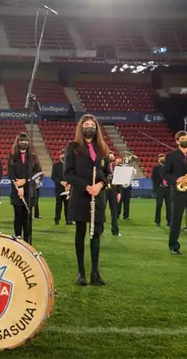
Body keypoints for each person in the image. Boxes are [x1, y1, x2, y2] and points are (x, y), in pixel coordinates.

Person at [64, 114, 111, 286]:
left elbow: (108, 173)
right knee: (81, 233)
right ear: (81, 127)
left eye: (92, 124)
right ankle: (81, 272)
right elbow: (68, 173)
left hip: (98, 197)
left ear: (97, 128)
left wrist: (100, 184)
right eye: (86, 124)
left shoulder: (103, 148)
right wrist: (86, 187)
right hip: (81, 197)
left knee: (96, 235)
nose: (89, 127)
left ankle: (95, 273)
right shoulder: (73, 146)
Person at [8, 132, 41, 244]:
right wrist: (19, 186)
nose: (24, 143)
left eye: (26, 140)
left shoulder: (33, 157)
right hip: (17, 192)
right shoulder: (12, 157)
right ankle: (17, 239)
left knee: (27, 218)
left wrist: (25, 181)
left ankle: (28, 242)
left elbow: (38, 173)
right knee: (18, 216)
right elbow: (11, 174)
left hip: (30, 193)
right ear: (17, 143)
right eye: (21, 141)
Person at [152, 153, 171, 227]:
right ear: (158, 159)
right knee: (159, 205)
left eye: (163, 157)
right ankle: (157, 221)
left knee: (169, 206)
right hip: (160, 188)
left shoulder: (169, 168)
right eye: (161, 157)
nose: (162, 158)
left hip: (168, 189)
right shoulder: (156, 168)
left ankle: (169, 221)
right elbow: (153, 179)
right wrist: (156, 189)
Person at [105, 152, 121, 237]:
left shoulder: (117, 168)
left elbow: (118, 181)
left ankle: (115, 231)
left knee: (114, 212)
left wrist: (118, 192)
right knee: (101, 211)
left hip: (113, 192)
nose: (111, 156)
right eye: (109, 154)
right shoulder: (102, 166)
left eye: (112, 155)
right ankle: (99, 230)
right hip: (104, 191)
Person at [52, 150, 70, 225]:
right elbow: (53, 176)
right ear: (60, 156)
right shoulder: (56, 165)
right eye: (62, 155)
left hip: (68, 188)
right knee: (58, 205)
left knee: (68, 205)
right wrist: (61, 182)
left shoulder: (70, 165)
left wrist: (69, 184)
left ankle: (68, 220)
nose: (63, 156)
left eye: (64, 155)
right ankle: (57, 219)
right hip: (59, 188)